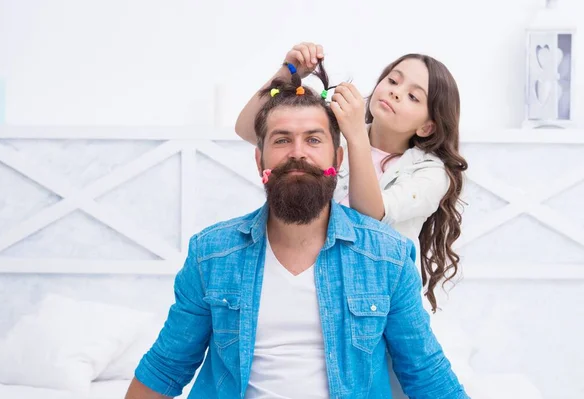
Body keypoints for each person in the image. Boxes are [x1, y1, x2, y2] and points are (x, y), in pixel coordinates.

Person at [124, 62, 469, 399]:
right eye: (282, 140)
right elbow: (167, 366)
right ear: (260, 161)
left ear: (338, 160)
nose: (298, 153)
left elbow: (427, 374)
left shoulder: (389, 257)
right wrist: (287, 70)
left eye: (314, 140)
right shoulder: (212, 254)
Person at [235, 43, 468, 313]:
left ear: (427, 126)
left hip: (376, 300)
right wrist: (288, 72)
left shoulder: (430, 172)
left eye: (413, 97)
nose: (395, 92)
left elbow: (372, 216)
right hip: (317, 283)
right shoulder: (343, 134)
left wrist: (356, 134)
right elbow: (248, 130)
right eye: (393, 80)